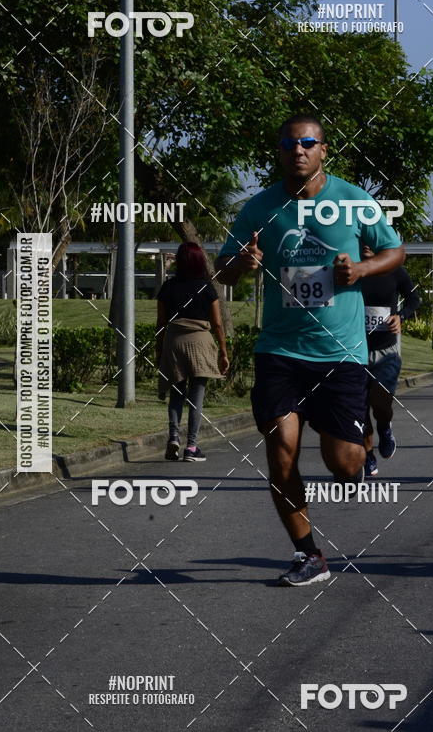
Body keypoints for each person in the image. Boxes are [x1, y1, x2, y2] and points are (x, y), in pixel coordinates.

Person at [215, 113, 404, 585]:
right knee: (281, 451)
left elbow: (395, 251)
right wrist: (240, 263)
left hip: (340, 354)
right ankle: (308, 555)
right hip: (280, 351)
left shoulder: (353, 200)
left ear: (323, 150)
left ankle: (357, 448)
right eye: (288, 144)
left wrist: (360, 270)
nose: (298, 150)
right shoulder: (261, 208)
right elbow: (221, 272)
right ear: (279, 151)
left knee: (344, 464)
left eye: (307, 143)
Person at [156, 242, 229, 463]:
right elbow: (217, 323)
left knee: (176, 393)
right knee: (196, 397)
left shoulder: (168, 287)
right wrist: (223, 352)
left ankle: (173, 437)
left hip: (174, 341)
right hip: (201, 343)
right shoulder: (207, 288)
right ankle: (192, 447)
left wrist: (159, 350)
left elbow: (160, 323)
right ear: (200, 262)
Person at [360, 247, 420, 478]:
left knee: (381, 403)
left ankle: (384, 427)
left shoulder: (393, 268)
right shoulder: (348, 267)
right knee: (359, 408)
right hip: (354, 350)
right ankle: (367, 455)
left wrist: (401, 315)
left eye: (371, 237)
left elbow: (414, 298)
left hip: (386, 349)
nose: (366, 243)